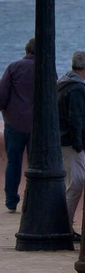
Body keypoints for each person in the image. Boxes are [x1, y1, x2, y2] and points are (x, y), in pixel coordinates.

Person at [0, 38, 34, 212]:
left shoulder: (13, 67)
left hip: (14, 123)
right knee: (36, 164)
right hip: (38, 126)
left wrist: (6, 113)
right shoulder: (46, 68)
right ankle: (33, 199)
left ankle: (11, 200)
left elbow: (2, 95)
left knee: (14, 162)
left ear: (26, 50)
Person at [57, 50, 85, 234]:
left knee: (71, 183)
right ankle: (64, 228)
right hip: (71, 143)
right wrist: (79, 145)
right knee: (76, 184)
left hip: (61, 141)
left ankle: (64, 226)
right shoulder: (78, 89)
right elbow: (76, 119)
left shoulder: (62, 84)